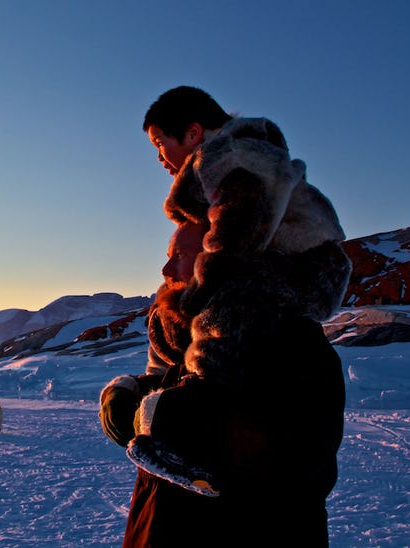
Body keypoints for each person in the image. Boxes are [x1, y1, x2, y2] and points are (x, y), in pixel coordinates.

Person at [99, 86, 350, 545]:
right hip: (270, 289)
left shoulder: (231, 161)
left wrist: (203, 291)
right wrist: (145, 385)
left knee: (227, 306)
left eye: (161, 143)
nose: (159, 157)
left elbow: (232, 251)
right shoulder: (229, 169)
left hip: (269, 286)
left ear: (193, 133)